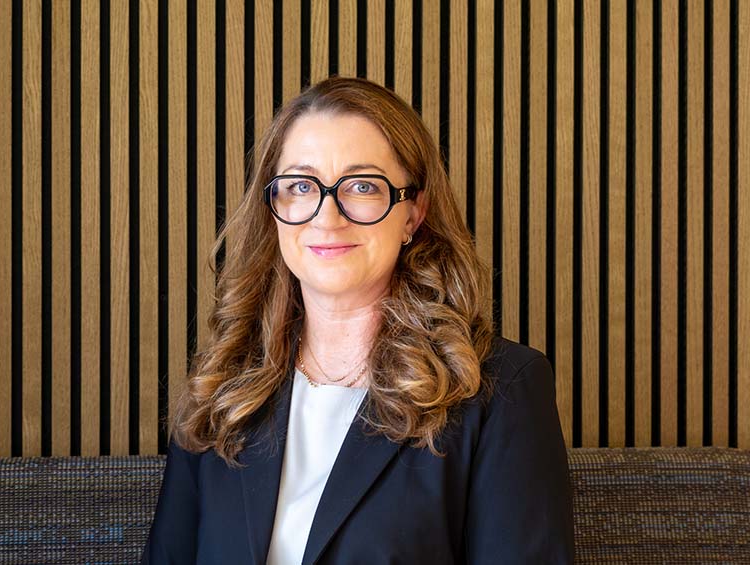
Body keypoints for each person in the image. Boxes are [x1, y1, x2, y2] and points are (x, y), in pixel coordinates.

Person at [142, 76, 573, 564]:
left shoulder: (501, 391)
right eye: (301, 186)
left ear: (413, 213)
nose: (327, 217)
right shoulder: (225, 388)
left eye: (362, 186)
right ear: (274, 208)